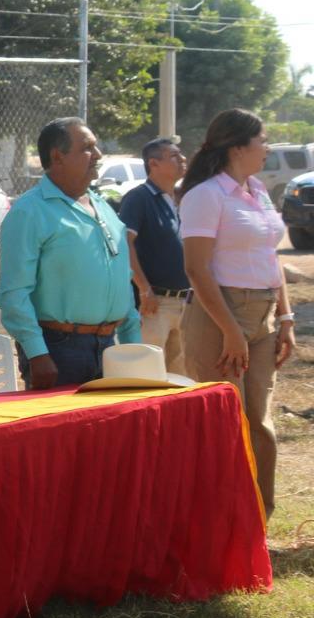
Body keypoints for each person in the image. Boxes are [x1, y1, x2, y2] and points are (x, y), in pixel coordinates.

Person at [178, 109, 293, 517]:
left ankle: (259, 519)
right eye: (263, 140)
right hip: (219, 316)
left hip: (262, 316)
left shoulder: (257, 190)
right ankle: (221, 523)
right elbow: (196, 269)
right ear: (238, 147)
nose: (268, 148)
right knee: (226, 423)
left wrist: (285, 318)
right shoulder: (205, 195)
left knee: (259, 423)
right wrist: (230, 330)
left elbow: (270, 256)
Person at [0, 117, 141, 388]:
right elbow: (13, 293)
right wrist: (37, 353)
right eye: (87, 148)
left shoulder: (104, 208)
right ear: (57, 157)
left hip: (110, 349)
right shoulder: (30, 211)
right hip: (58, 351)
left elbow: (124, 279)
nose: (97, 155)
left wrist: (133, 343)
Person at [119, 136, 190, 372]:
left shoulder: (180, 198)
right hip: (155, 305)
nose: (183, 159)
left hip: (186, 303)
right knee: (148, 373)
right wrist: (144, 288)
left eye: (181, 154)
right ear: (154, 163)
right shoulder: (138, 198)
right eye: (174, 156)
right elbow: (125, 243)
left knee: (182, 379)